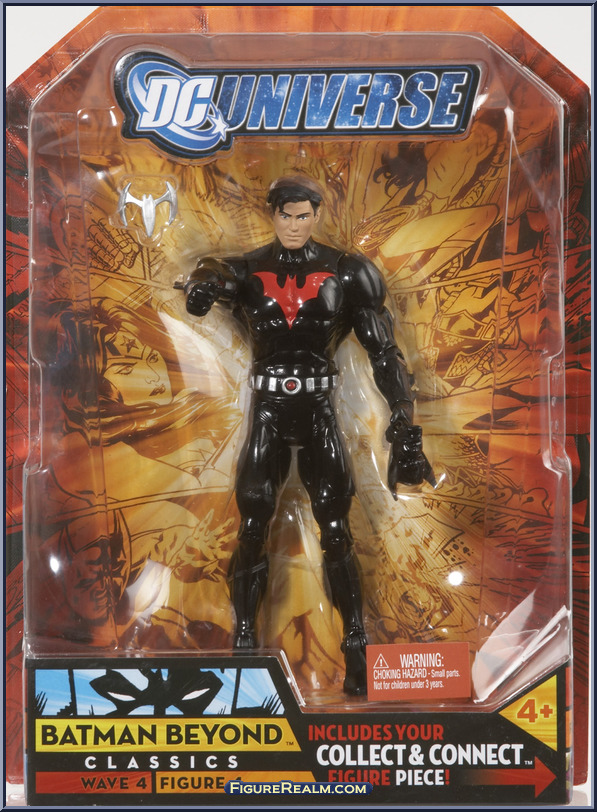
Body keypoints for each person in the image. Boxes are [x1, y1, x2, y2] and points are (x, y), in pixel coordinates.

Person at [181, 175, 433, 694]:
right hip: (269, 409)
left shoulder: (348, 271)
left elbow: (384, 351)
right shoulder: (248, 269)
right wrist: (203, 285)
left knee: (336, 528)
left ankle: (356, 644)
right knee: (253, 522)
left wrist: (402, 414)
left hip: (318, 408)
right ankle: (244, 642)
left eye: (303, 216)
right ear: (272, 214)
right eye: (285, 215)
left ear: (316, 215)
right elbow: (215, 275)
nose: (294, 225)